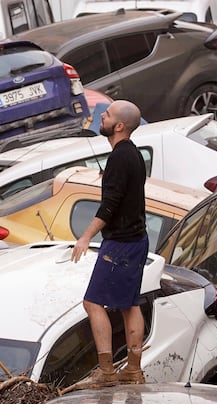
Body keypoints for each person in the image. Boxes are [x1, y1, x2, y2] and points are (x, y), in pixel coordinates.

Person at [71, 99, 148, 388]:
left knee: (92, 302)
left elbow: (110, 206)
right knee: (129, 304)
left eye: (107, 114)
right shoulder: (134, 155)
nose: (100, 116)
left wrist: (85, 236)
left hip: (120, 243)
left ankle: (106, 372)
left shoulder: (119, 158)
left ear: (118, 126)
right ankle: (133, 369)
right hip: (137, 239)